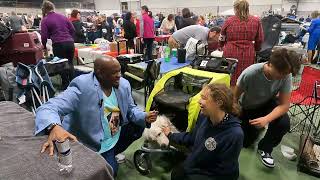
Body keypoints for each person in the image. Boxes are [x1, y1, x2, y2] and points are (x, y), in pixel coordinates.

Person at [36, 56, 158, 176]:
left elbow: (131, 109)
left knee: (138, 128)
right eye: (114, 73)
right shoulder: (82, 86)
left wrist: (144, 116)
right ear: (100, 73)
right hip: (88, 143)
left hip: (113, 138)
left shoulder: (123, 84)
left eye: (119, 71)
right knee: (106, 172)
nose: (119, 75)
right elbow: (49, 107)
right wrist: (54, 126)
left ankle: (113, 153)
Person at [234, 48, 301, 168]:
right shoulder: (251, 73)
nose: (283, 76)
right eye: (280, 72)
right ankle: (253, 130)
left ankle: (265, 148)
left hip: (267, 103)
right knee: (245, 142)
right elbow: (234, 98)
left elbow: (284, 105)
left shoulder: (286, 75)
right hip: (247, 108)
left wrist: (267, 119)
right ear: (270, 64)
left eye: (286, 73)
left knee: (283, 123)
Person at [163, 83, 243, 180]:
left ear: (219, 103)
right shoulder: (204, 117)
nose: (199, 101)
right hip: (197, 163)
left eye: (204, 98)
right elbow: (192, 137)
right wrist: (171, 135)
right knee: (176, 174)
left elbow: (225, 172)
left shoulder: (234, 134)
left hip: (212, 174)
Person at [220, 0, 264, 85]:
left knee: (230, 74)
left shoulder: (229, 21)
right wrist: (256, 49)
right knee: (246, 73)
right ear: (247, 8)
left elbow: (222, 37)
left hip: (230, 52)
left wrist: (221, 45)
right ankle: (243, 93)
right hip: (248, 52)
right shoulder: (256, 21)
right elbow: (260, 39)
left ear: (235, 8)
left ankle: (230, 94)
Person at [41, 1, 75, 90]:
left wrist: (44, 47)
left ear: (44, 10)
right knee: (70, 64)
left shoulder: (45, 20)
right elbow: (72, 29)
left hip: (58, 44)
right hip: (70, 43)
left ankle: (66, 86)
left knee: (61, 65)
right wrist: (69, 38)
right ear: (53, 8)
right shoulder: (63, 17)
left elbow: (44, 36)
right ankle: (74, 85)